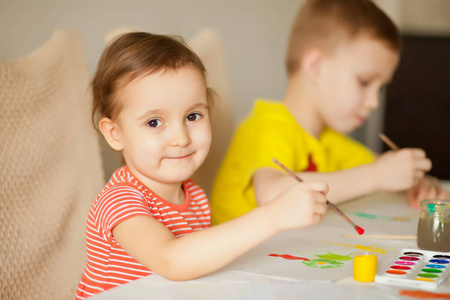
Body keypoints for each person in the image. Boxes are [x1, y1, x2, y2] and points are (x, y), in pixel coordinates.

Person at [76, 32, 329, 299]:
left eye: (192, 116)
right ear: (115, 134)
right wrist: (274, 215)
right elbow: (172, 261)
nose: (181, 137)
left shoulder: (194, 196)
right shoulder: (119, 201)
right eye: (154, 122)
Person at [210, 0, 448, 225]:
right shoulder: (267, 126)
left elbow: (384, 167)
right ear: (315, 67)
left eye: (381, 87)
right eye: (365, 82)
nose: (375, 102)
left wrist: (412, 179)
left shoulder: (327, 139)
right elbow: (271, 193)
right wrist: (376, 176)